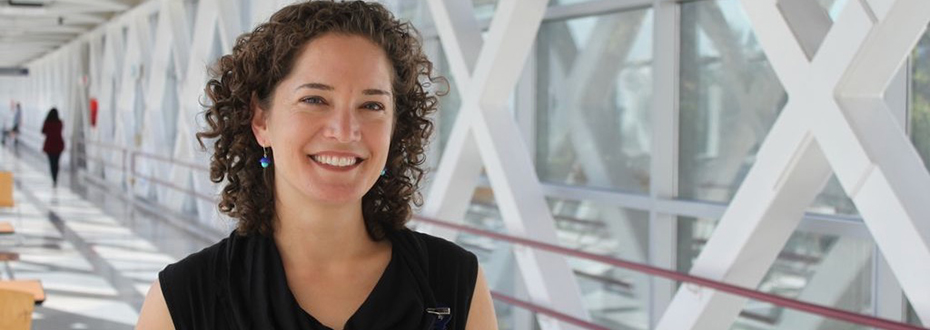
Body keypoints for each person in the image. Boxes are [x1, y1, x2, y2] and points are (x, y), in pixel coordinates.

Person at [136, 1, 497, 330]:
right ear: (261, 120)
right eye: (314, 99)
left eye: (371, 105)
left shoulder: (453, 283)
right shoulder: (183, 301)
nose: (344, 131)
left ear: (395, 127)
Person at [42, 107, 65, 187]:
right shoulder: (60, 123)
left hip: (50, 145)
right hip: (58, 145)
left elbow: (43, 131)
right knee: (57, 162)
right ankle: (55, 177)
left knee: (51, 163)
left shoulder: (47, 122)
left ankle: (53, 178)